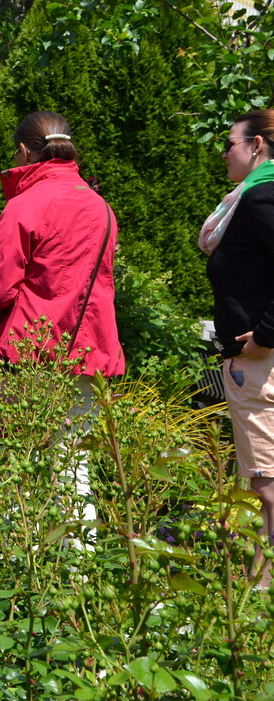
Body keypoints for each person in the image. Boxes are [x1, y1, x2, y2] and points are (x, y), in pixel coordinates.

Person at [0, 111, 125, 529]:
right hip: (83, 352)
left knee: (16, 466)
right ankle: (77, 571)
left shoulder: (24, 204)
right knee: (72, 465)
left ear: (25, 151)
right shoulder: (101, 207)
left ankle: (15, 570)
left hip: (26, 352)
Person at [202, 109, 274, 579]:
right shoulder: (254, 196)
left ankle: (262, 591)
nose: (224, 152)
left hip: (262, 364)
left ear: (258, 146)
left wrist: (267, 333)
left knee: (266, 479)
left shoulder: (261, 197)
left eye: (230, 143)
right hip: (257, 361)